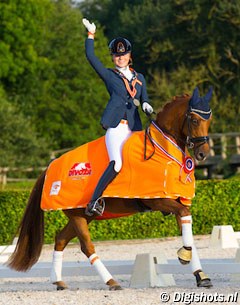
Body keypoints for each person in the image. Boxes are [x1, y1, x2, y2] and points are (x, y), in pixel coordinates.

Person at [82, 18, 153, 216]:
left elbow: (144, 98)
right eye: (116, 55)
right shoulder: (109, 75)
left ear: (129, 56)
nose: (120, 58)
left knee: (146, 159)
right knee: (118, 163)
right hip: (116, 127)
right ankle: (94, 201)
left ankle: (151, 198)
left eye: (123, 54)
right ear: (113, 57)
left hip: (134, 127)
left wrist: (146, 104)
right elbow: (90, 56)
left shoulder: (140, 78)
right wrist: (91, 35)